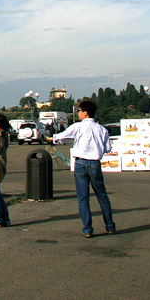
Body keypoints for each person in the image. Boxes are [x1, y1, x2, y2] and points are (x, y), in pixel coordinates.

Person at [47, 100, 115, 238]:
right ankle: (110, 226)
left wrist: (52, 138)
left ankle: (88, 229)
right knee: (102, 196)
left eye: (79, 111)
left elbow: (61, 137)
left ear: (85, 113)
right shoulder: (102, 129)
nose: (78, 113)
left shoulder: (77, 127)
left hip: (80, 164)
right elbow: (108, 148)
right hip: (95, 163)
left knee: (83, 198)